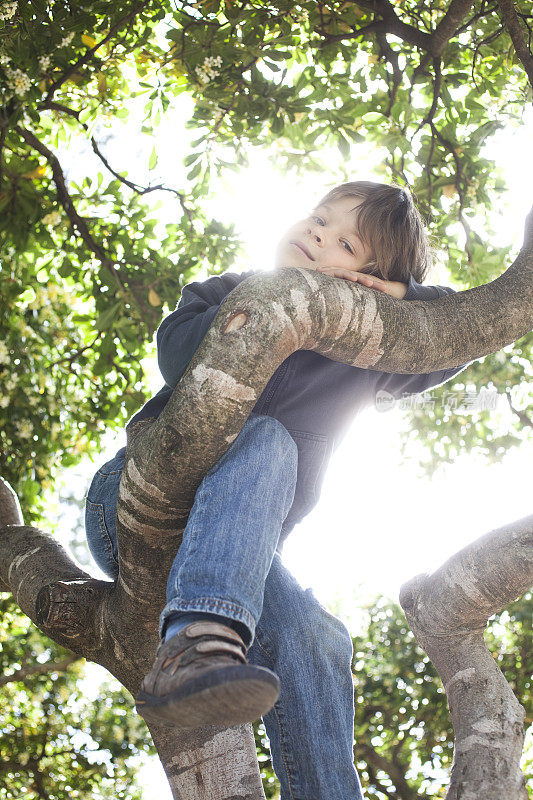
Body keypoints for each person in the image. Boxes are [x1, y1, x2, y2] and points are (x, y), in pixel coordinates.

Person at [84, 181, 470, 800]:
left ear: (368, 282)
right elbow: (176, 349)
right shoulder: (229, 290)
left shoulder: (363, 357)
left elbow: (456, 333)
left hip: (240, 557)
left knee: (318, 638)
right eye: (319, 220)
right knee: (267, 438)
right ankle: (197, 644)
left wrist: (400, 297)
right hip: (133, 501)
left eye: (345, 242)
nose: (319, 234)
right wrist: (262, 308)